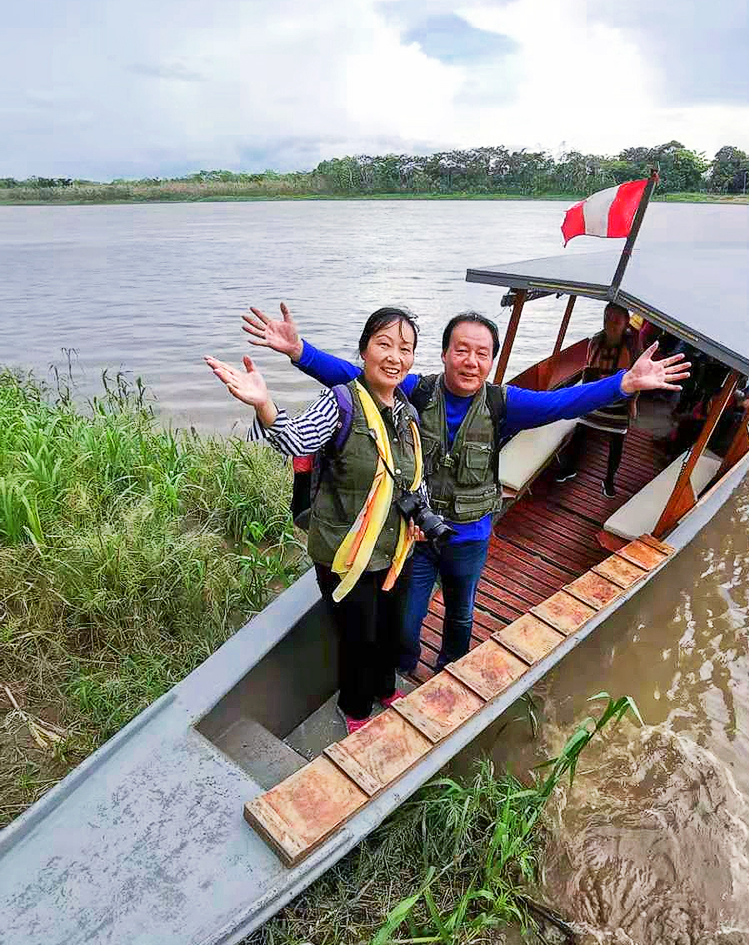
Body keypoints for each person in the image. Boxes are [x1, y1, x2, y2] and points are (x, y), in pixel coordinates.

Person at [242, 303, 690, 676]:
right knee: (405, 620)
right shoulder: (415, 391)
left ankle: (451, 667)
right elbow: (359, 375)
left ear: (491, 361)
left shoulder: (502, 403)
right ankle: (401, 669)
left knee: (460, 611)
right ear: (443, 354)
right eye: (462, 350)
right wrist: (300, 352)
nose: (471, 361)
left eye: (482, 353)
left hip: (471, 536)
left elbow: (559, 404)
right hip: (415, 535)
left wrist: (624, 383)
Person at [206, 308, 426, 734]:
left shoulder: (407, 414)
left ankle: (384, 688)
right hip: (345, 553)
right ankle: (356, 708)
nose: (395, 356)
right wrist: (264, 403)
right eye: (384, 344)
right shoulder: (341, 401)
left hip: (394, 548)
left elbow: (413, 478)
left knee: (390, 631)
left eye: (405, 348)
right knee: (357, 638)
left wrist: (421, 515)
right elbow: (297, 438)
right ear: (363, 350)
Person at [553, 301, 636, 495]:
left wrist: (632, 403)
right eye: (607, 319)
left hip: (619, 403)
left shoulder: (630, 345)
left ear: (626, 323)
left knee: (617, 443)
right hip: (596, 397)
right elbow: (588, 372)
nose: (611, 324)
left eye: (616, 320)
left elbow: (633, 379)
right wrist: (583, 399)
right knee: (579, 434)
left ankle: (609, 480)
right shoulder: (597, 342)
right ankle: (569, 468)